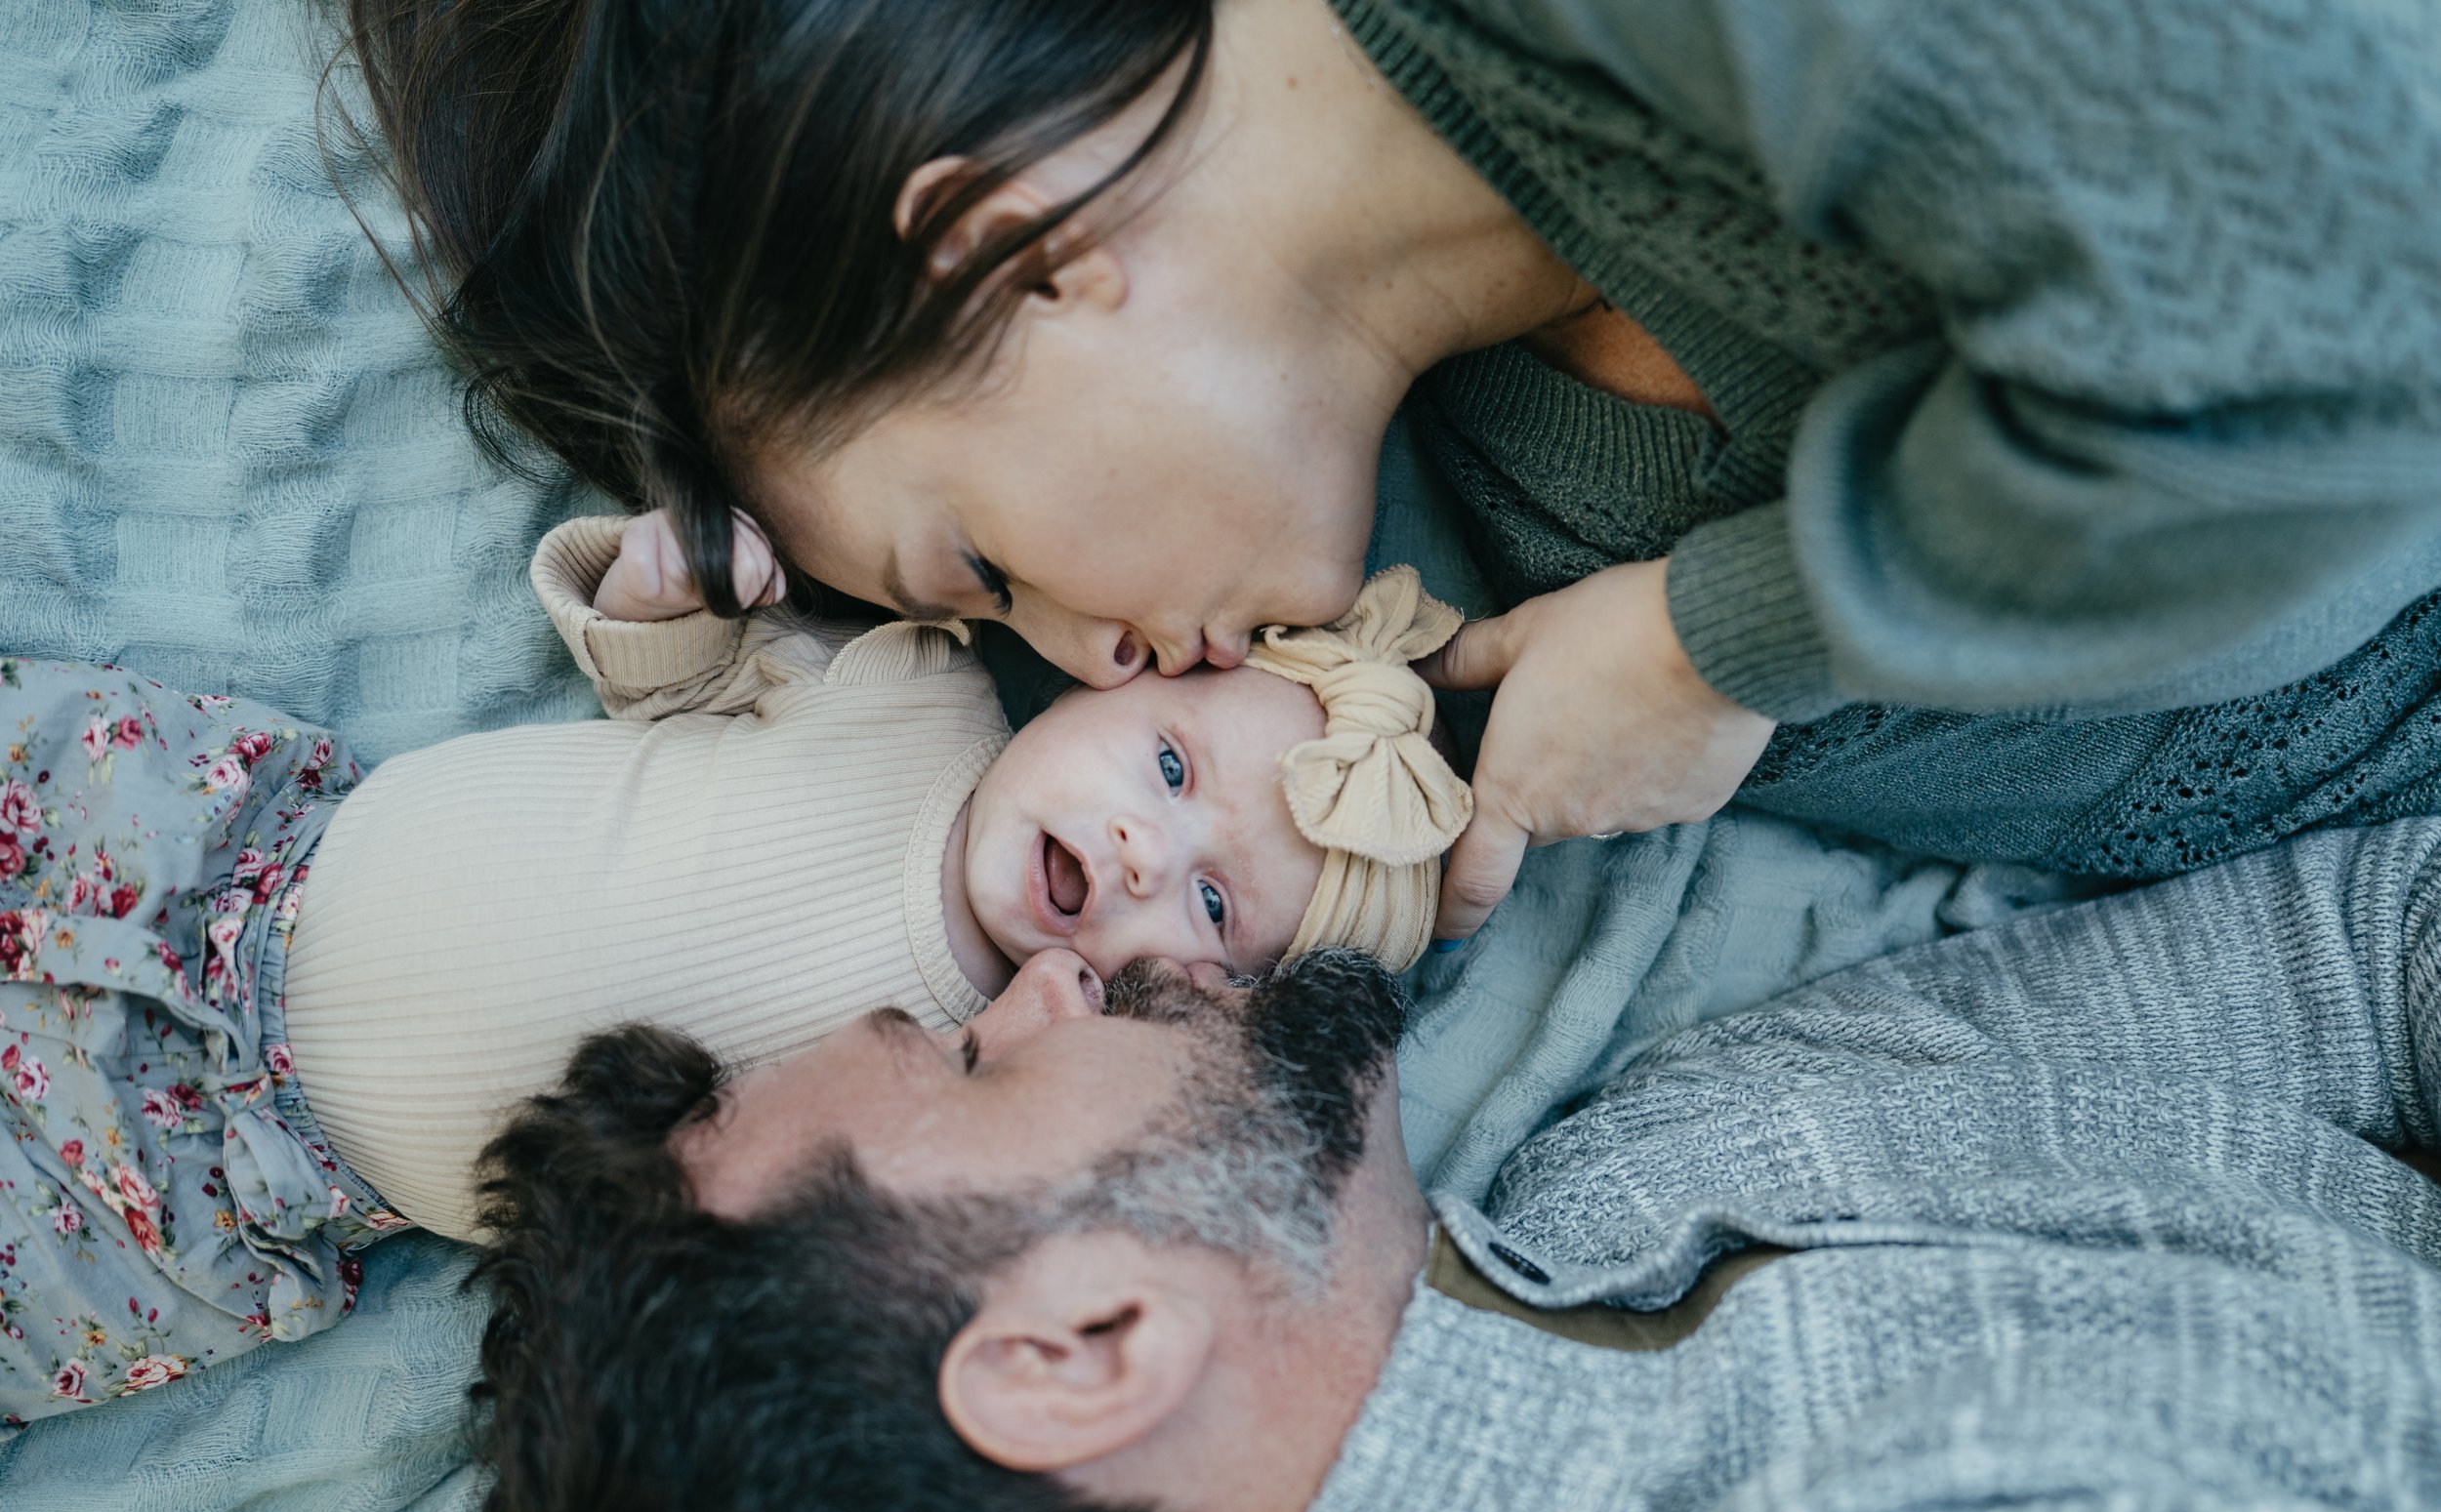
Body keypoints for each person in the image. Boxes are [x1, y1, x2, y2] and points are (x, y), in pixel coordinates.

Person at [343, 0, 2441, 943]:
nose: (1073, 656)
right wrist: (739, 646)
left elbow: (2349, 338)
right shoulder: (1380, 476)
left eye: (975, 565)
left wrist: (1731, 646)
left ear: (1005, 246)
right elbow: (1009, 849)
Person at [466, 819, 2441, 1512]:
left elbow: (2353, 955)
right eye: (984, 1061)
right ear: (1080, 1352)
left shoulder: (1647, 1163)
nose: (1046, 970)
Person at [0, 524, 1469, 1418]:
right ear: (1117, 680)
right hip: (234, 854)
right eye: (1169, 761)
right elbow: (680, 683)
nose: (1150, 851)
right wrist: (664, 594)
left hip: (227, 1178)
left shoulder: (980, 1078)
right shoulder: (914, 689)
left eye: (1214, 902)